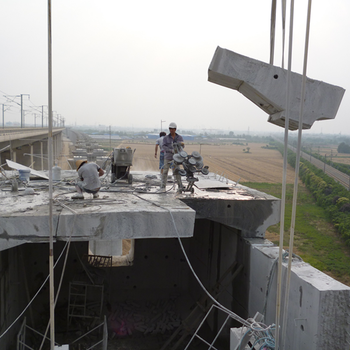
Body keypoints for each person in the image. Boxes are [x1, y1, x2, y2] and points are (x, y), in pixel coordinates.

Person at [160, 122, 184, 193]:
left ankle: (180, 186)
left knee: (177, 171)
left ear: (175, 129)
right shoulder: (166, 138)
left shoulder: (179, 138)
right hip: (168, 156)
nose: (171, 130)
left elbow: (182, 146)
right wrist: (170, 150)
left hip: (176, 157)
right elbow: (163, 146)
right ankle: (163, 186)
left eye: (172, 129)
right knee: (165, 171)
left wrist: (178, 149)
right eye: (170, 129)